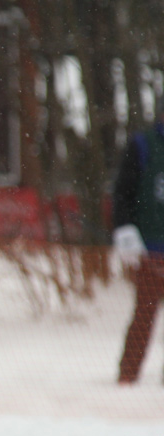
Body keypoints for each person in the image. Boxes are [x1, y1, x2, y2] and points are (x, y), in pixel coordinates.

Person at [113, 99, 164, 384]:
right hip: (150, 247)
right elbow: (123, 191)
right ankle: (128, 375)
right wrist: (125, 230)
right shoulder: (144, 145)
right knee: (145, 314)